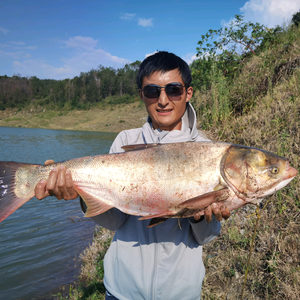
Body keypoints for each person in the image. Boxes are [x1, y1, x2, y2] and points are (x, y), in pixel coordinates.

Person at [35, 51, 230, 300]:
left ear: (188, 93)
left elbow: (206, 237)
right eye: (152, 91)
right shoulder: (125, 141)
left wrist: (201, 216)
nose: (163, 100)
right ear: (141, 95)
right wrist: (82, 195)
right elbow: (116, 221)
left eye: (173, 90)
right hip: (121, 290)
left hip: (181, 293)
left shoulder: (209, 152)